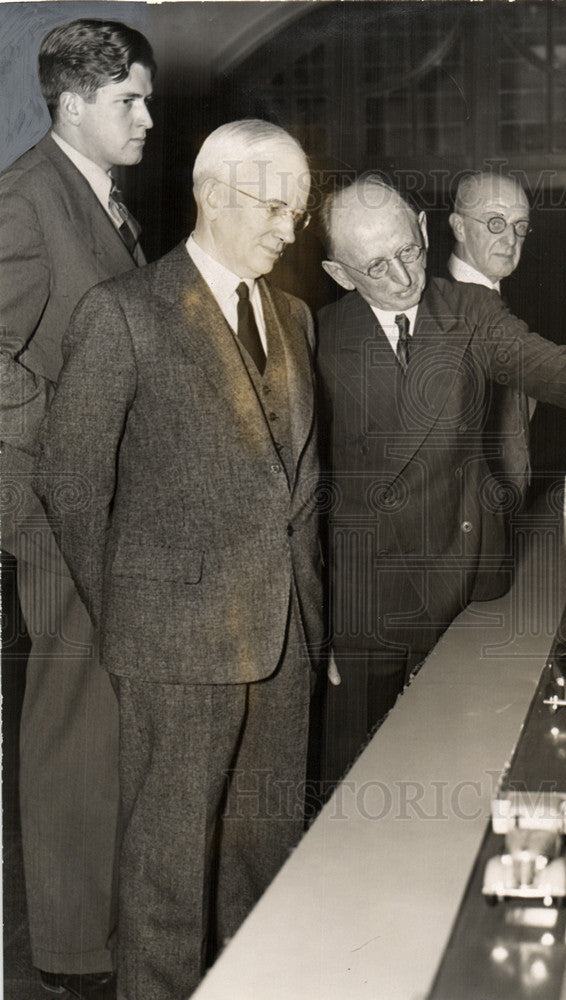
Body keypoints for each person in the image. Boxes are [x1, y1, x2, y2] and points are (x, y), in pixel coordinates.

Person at [37, 120, 324, 1000]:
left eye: (298, 212)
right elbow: (71, 483)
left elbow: (301, 492)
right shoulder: (123, 313)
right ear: (211, 193)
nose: (286, 226)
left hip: (285, 640)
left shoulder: (296, 316)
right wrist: (130, 613)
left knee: (265, 862)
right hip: (172, 644)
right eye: (274, 205)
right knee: (166, 879)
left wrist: (313, 623)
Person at [315, 177, 566, 781]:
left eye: (409, 251)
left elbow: (547, 362)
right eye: (377, 266)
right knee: (365, 782)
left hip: (464, 582)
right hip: (366, 604)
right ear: (339, 273)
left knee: (467, 761)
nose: (404, 277)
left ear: (426, 232)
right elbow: (306, 492)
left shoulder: (469, 310)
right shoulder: (319, 336)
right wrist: (318, 617)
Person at [0, 19, 154, 997]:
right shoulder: (25, 201)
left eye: (145, 97)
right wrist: (69, 439)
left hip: (107, 504)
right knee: (68, 724)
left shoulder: (97, 198)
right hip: (59, 505)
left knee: (102, 722)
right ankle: (66, 950)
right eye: (128, 101)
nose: (148, 117)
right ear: (72, 103)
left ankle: (100, 930)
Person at [447, 170, 535, 526]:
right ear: (459, 227)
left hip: (510, 512)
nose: (511, 238)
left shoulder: (513, 304)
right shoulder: (433, 308)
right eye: (495, 222)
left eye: (520, 226)